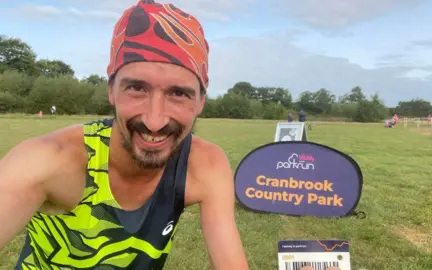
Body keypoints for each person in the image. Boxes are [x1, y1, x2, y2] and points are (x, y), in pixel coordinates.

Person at [0, 1, 249, 269]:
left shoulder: (204, 165)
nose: (155, 121)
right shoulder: (47, 160)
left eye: (178, 93)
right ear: (111, 89)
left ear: (201, 100)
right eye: (136, 88)